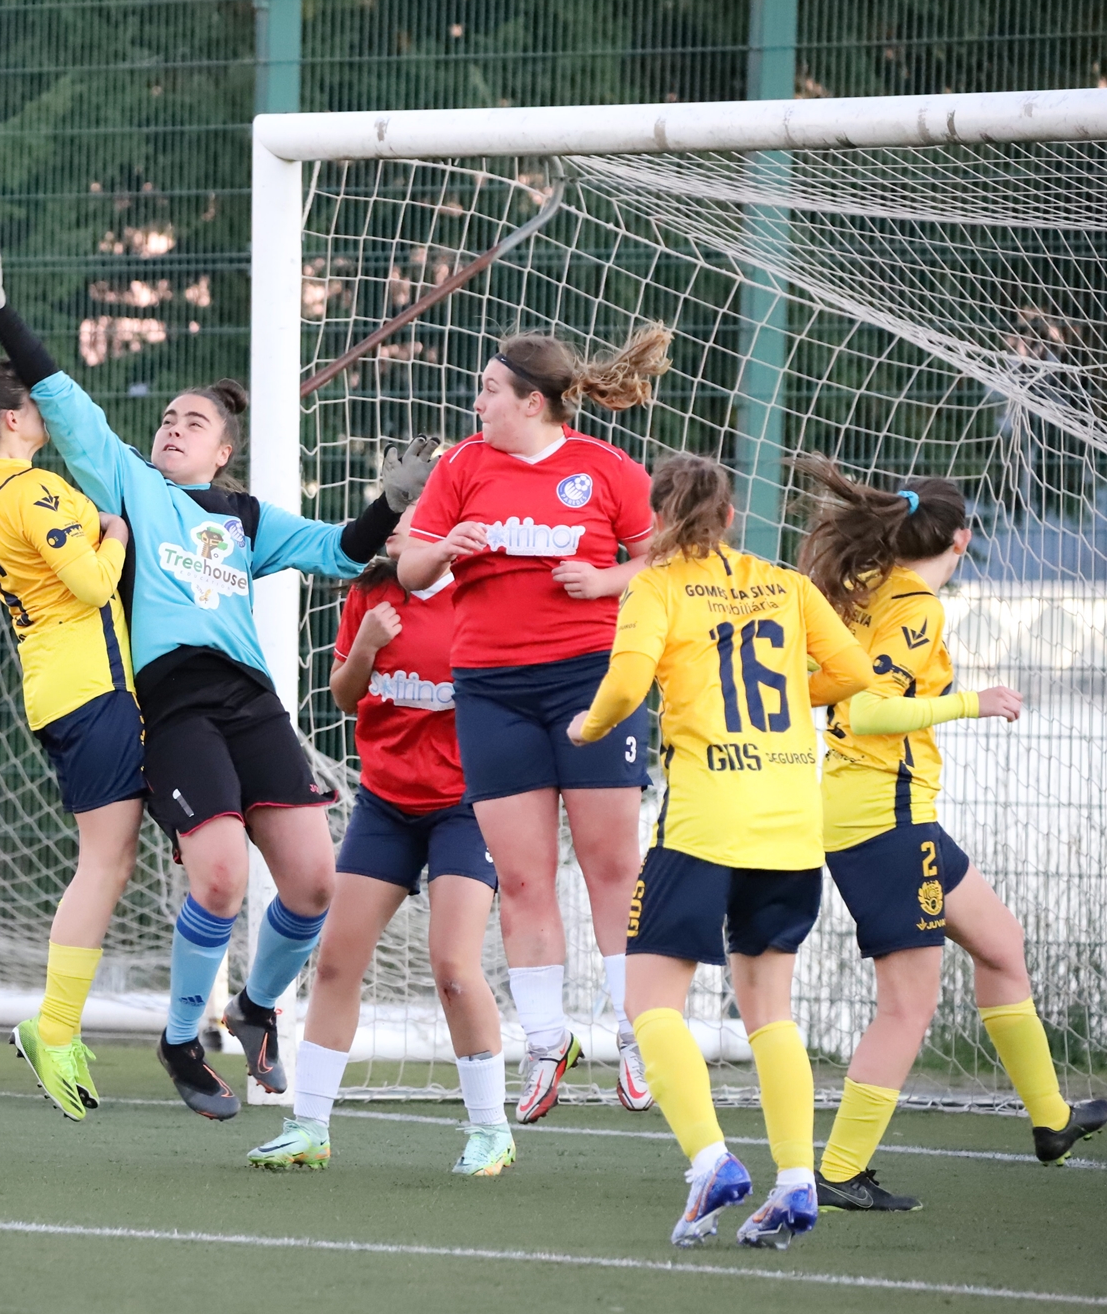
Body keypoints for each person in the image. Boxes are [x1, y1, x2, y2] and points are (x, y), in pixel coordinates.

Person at [0, 229, 434, 1120]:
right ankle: (182, 1039)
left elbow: (338, 551)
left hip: (250, 699)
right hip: (170, 703)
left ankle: (253, 1011)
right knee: (216, 876)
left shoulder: (246, 518)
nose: (174, 428)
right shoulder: (129, 484)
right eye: (167, 418)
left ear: (223, 453)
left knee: (315, 883)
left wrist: (390, 502)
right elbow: (59, 398)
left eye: (195, 422)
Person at [566, 454, 872, 1250]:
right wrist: (780, 705)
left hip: (706, 824)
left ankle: (710, 1159)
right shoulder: (785, 582)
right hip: (790, 822)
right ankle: (798, 1179)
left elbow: (628, 685)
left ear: (654, 518)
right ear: (730, 517)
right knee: (771, 1009)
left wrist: (587, 729)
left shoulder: (656, 586)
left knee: (650, 1000)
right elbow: (854, 671)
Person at [796, 458, 1107, 1210]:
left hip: (883, 812)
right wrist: (974, 702)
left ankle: (1052, 1119)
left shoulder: (870, 590)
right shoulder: (916, 610)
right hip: (884, 819)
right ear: (961, 539)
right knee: (908, 1006)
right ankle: (839, 1170)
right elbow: (866, 711)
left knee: (1001, 943)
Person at [398, 326, 669, 1121]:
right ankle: (547, 1042)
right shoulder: (459, 467)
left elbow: (664, 559)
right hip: (489, 687)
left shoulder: (606, 468)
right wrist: (445, 545)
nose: (477, 401)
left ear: (533, 402)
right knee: (521, 877)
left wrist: (608, 577)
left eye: (489, 389)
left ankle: (638, 1035)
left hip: (591, 682)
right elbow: (411, 568)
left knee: (612, 866)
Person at [247, 488, 516, 1177]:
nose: (394, 532)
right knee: (335, 960)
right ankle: (309, 1126)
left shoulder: (481, 599)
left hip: (467, 807)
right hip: (387, 806)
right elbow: (344, 694)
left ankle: (491, 1130)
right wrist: (366, 645)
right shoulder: (367, 592)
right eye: (390, 521)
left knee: (454, 966)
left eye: (410, 523)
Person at [0, 359, 142, 1122]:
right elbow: (90, 584)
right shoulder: (33, 487)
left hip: (53, 690)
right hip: (92, 684)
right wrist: (115, 534)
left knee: (109, 861)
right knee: (104, 862)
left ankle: (62, 1025)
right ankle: (53, 1027)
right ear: (14, 417)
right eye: (35, 405)